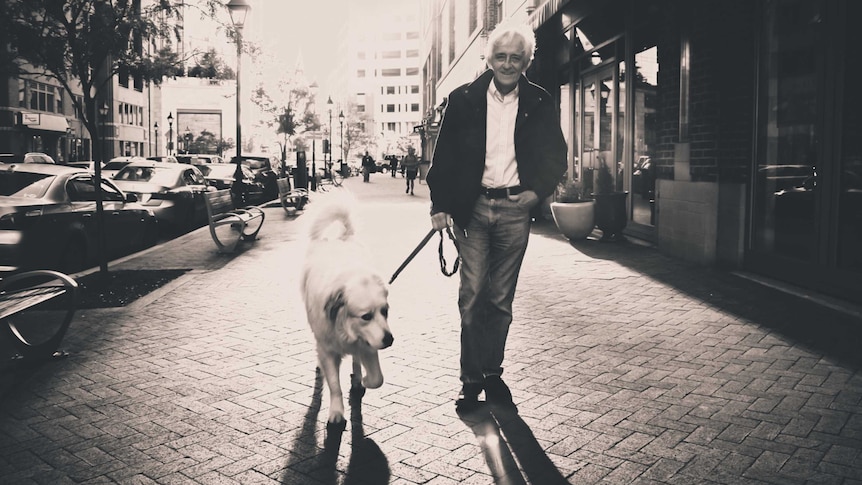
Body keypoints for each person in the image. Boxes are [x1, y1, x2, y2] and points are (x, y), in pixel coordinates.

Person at [426, 21, 566, 412]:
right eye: (501, 56)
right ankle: (471, 380)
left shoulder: (539, 101)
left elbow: (556, 155)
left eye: (515, 58)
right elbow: (444, 160)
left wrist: (535, 193)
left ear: (526, 62)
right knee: (472, 297)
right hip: (471, 209)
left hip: (514, 211)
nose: (507, 64)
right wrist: (439, 206)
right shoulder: (463, 98)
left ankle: (492, 373)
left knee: (500, 300)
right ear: (489, 58)